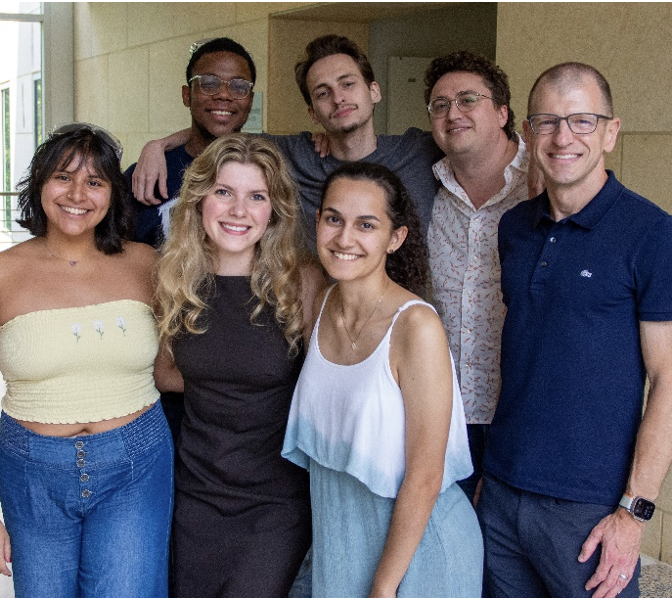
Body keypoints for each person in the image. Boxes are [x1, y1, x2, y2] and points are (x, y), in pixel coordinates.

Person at [480, 63, 672, 598]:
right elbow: (524, 353)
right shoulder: (514, 228)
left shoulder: (654, 234)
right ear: (528, 134)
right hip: (503, 491)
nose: (563, 138)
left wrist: (634, 512)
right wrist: (492, 473)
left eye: (582, 121)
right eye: (548, 122)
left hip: (590, 508)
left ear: (610, 132)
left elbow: (671, 383)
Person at [0, 124, 176, 597]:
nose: (77, 194)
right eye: (63, 177)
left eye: (94, 181)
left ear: (112, 194)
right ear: (39, 184)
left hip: (136, 464)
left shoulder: (147, 265)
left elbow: (176, 365)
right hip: (32, 470)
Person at [282, 162, 483, 597]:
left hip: (418, 553)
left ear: (396, 237)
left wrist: (384, 586)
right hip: (341, 544)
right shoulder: (319, 301)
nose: (344, 238)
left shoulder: (416, 327)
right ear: (317, 221)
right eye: (334, 219)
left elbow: (426, 475)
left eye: (366, 225)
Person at [153, 134, 325, 598]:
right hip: (196, 493)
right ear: (199, 199)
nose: (238, 210)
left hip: (276, 499)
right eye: (224, 192)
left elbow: (325, 387)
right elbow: (164, 374)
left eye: (257, 197)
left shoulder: (302, 283)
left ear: (274, 210)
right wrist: (227, 382)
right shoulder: (175, 278)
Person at [132, 34, 442, 250]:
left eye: (348, 84)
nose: (338, 98)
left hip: (403, 318)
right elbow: (222, 129)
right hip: (317, 318)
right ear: (312, 112)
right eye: (323, 92)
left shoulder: (419, 150)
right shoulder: (295, 155)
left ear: (374, 91)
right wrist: (158, 146)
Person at [127, 37, 257, 444]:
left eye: (239, 86)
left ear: (251, 99)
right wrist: (158, 147)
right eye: (209, 83)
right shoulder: (149, 173)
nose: (224, 95)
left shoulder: (264, 165)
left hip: (243, 379)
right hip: (161, 382)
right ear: (187, 95)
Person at [423, 50, 531, 504]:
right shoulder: (424, 183)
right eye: (440, 105)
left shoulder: (543, 183)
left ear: (502, 112)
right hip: (441, 414)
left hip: (522, 414)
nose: (453, 113)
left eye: (468, 99)